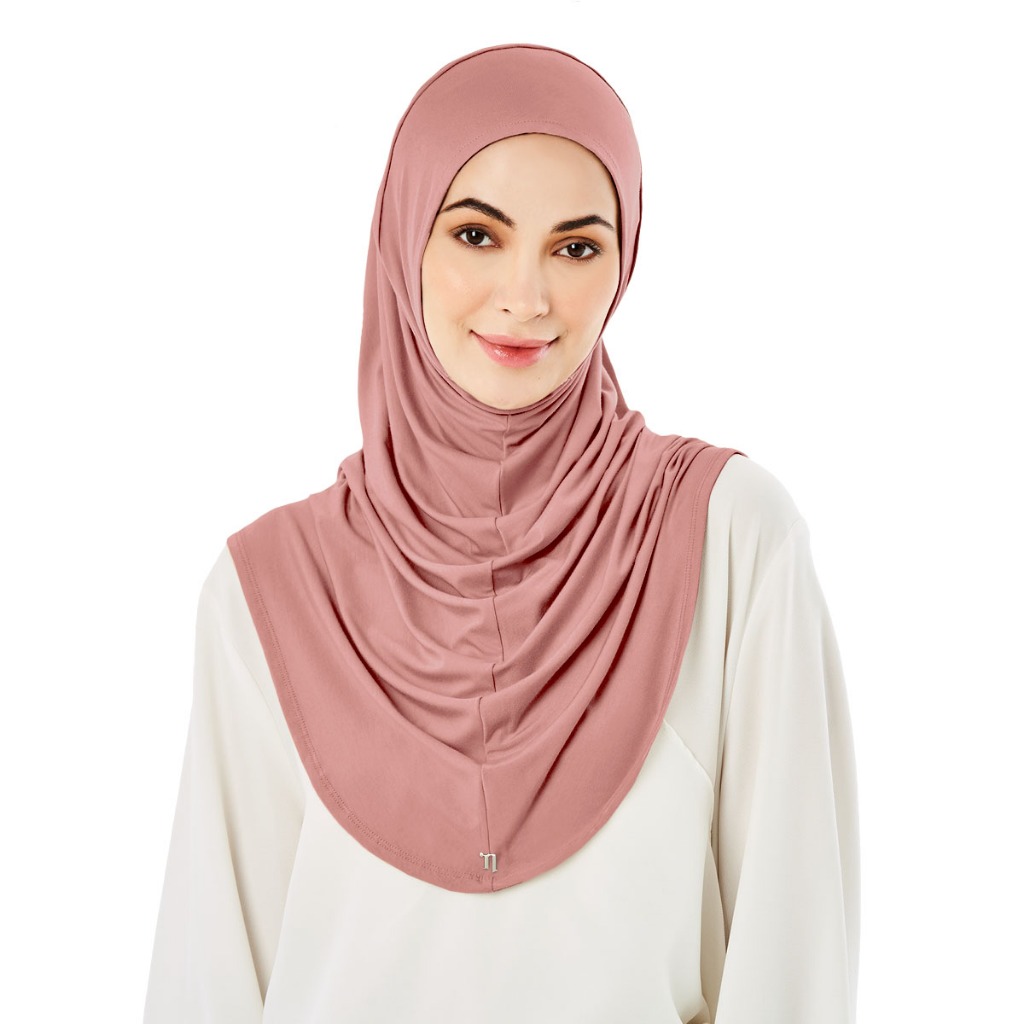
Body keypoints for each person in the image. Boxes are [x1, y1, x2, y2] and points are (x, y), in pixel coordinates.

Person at [144, 43, 859, 1022]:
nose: (526, 296)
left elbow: (792, 960)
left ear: (625, 263)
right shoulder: (268, 591)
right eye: (477, 235)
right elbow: (210, 984)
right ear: (404, 238)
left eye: (577, 247)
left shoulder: (728, 541)